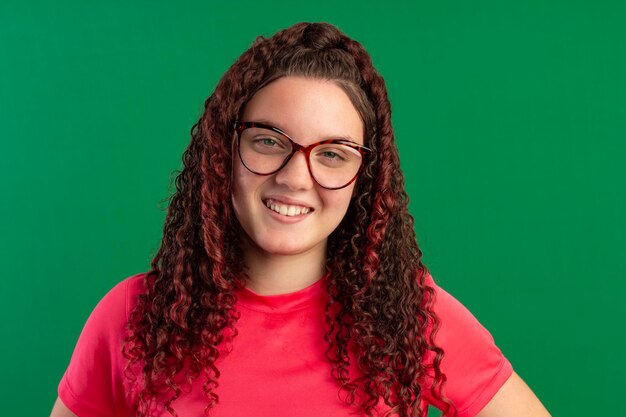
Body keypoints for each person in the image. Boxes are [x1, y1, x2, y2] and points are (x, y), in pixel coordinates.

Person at [50, 22, 550, 417]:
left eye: (332, 153)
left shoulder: (409, 316)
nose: (296, 177)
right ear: (226, 149)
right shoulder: (132, 317)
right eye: (269, 141)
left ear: (365, 177)